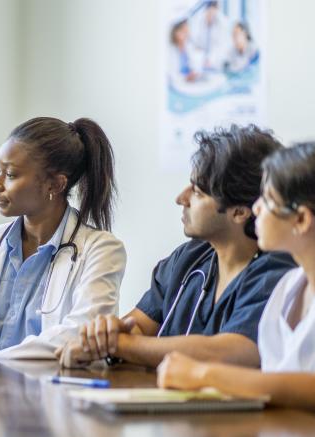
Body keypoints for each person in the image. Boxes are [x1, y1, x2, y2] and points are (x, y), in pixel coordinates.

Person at [158, 139, 315, 428]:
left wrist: (203, 374)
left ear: (301, 219)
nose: (256, 208)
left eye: (268, 200)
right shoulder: (289, 286)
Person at [58, 125, 295, 369]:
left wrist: (119, 345)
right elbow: (139, 326)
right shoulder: (190, 257)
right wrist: (107, 334)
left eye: (198, 192)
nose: (181, 198)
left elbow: (235, 351)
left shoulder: (276, 271)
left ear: (239, 212)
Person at [0, 117, 127, 359]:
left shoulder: (101, 250)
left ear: (55, 184)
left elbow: (80, 335)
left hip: (50, 393)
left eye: (11, 175)